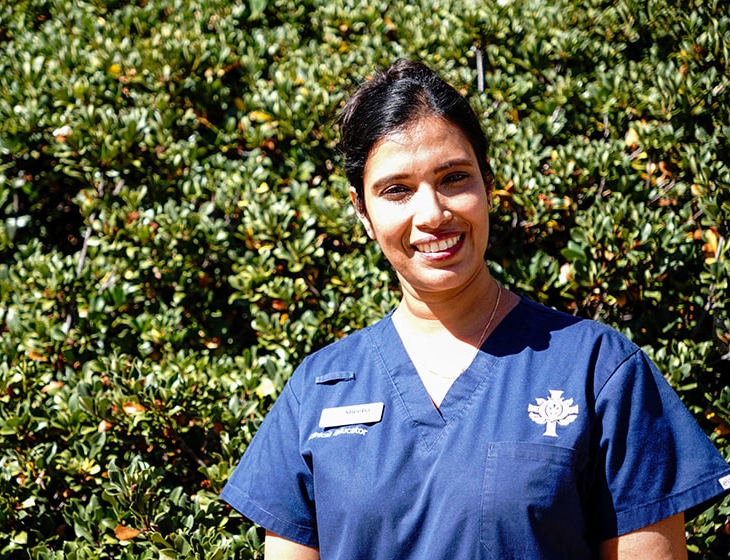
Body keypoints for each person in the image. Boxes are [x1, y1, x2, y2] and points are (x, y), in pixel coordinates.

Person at [220, 59, 730, 559]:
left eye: (454, 178)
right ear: (363, 212)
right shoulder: (319, 387)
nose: (432, 215)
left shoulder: (598, 370)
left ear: (488, 183)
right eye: (396, 190)